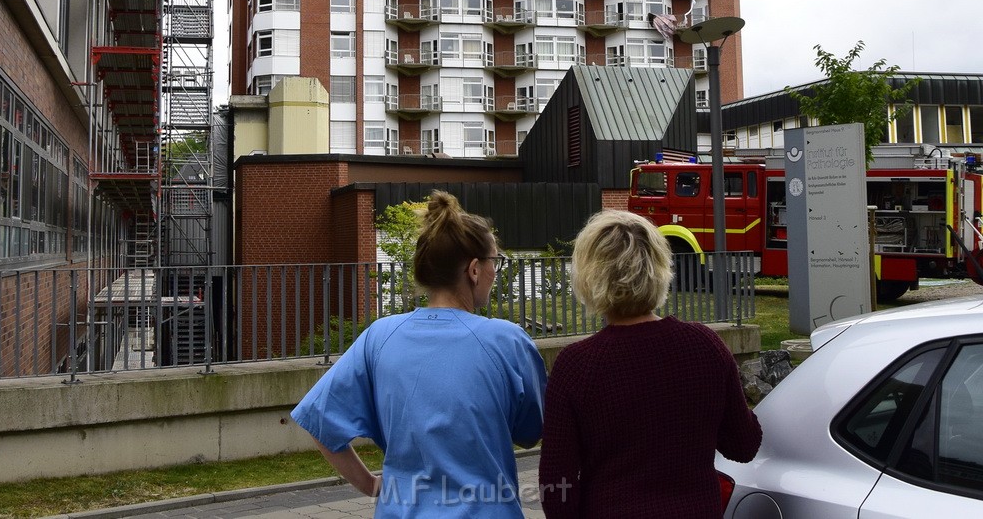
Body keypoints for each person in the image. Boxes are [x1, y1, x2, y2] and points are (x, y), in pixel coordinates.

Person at [292, 190, 547, 517]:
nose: (494, 272)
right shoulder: (507, 340)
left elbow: (320, 422)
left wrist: (371, 485)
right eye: (493, 261)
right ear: (473, 269)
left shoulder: (380, 336)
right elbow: (531, 433)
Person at [538, 209, 761, 518]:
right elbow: (744, 445)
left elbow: (556, 484)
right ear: (660, 266)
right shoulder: (705, 346)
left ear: (589, 276)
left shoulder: (576, 366)